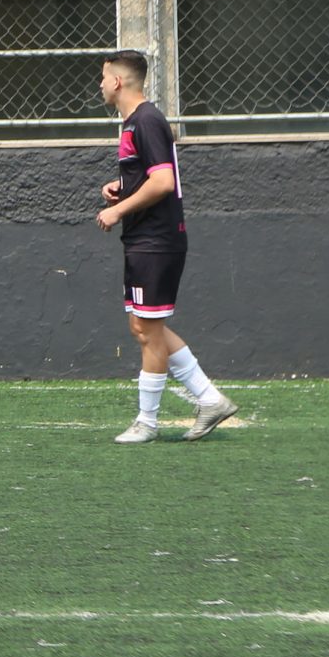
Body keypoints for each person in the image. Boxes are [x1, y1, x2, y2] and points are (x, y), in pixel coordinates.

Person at [95, 51, 236, 444]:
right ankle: (210, 400)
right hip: (146, 240)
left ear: (119, 82)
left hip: (156, 242)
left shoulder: (146, 121)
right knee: (143, 326)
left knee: (146, 330)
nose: (101, 84)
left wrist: (117, 211)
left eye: (104, 77)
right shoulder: (135, 123)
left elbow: (163, 183)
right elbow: (148, 177)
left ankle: (147, 422)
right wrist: (121, 188)